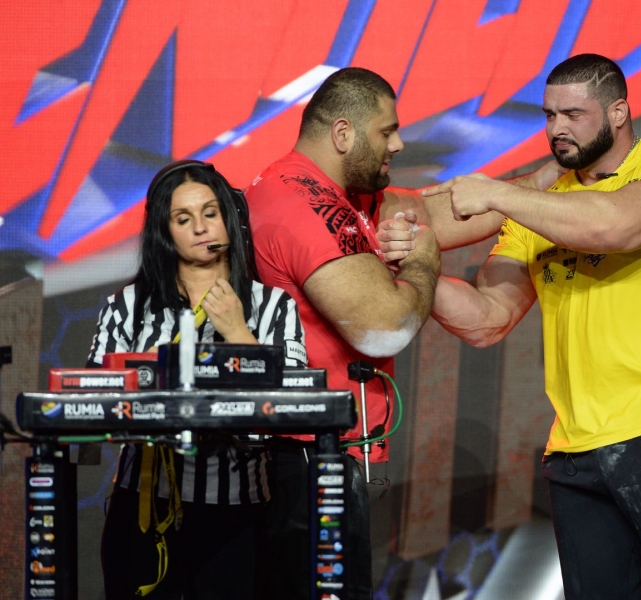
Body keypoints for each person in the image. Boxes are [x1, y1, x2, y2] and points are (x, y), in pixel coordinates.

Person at [414, 54, 641, 599]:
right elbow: (486, 319)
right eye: (548, 115)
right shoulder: (539, 207)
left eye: (572, 114)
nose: (556, 129)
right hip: (575, 451)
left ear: (619, 111)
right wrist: (414, 271)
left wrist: (497, 193)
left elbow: (609, 226)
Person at [245, 67, 560, 599]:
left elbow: (436, 211)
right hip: (303, 462)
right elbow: (384, 328)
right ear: (343, 134)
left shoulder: (337, 195)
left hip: (327, 455)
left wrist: (551, 180)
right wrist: (422, 261)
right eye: (385, 132)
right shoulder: (299, 206)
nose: (400, 142)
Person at [86, 160, 306, 599]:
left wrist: (239, 334)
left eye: (211, 213)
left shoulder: (274, 306)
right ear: (164, 232)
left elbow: (293, 408)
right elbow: (92, 403)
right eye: (183, 219)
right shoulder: (126, 306)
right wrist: (144, 374)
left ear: (229, 216)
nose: (202, 228)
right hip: (144, 506)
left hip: (237, 513)